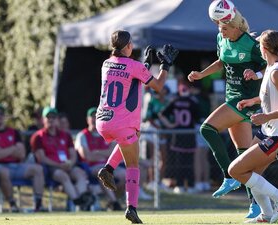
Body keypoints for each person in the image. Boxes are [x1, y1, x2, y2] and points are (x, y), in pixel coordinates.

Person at [187, 3, 266, 218]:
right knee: (244, 156)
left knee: (207, 129)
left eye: (224, 28)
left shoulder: (250, 43)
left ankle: (228, 176)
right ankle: (256, 205)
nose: (220, 31)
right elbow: (222, 62)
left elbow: (269, 65)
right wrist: (202, 74)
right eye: (218, 27)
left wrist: (255, 73)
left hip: (245, 101)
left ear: (236, 27)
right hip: (232, 98)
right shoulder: (221, 38)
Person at [95, 30, 178, 223]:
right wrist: (165, 65)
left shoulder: (106, 64)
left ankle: (108, 168)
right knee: (133, 165)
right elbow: (157, 85)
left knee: (135, 135)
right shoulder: (134, 66)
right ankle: (131, 208)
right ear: (128, 46)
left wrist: (145, 65)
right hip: (121, 123)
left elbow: (130, 80)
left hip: (103, 120)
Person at [228, 29, 278, 223]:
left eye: (259, 44)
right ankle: (266, 214)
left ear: (264, 48)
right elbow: (270, 96)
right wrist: (252, 101)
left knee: (235, 170)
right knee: (252, 175)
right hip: (268, 129)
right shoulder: (273, 66)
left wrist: (265, 116)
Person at [30, 106, 95, 211]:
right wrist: (59, 165)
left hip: (68, 165)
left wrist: (71, 163)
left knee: (80, 173)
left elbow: (73, 154)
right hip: (52, 168)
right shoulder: (38, 137)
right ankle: (78, 200)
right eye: (48, 117)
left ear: (57, 120)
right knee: (63, 175)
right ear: (43, 120)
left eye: (53, 117)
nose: (51, 120)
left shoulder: (66, 135)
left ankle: (82, 198)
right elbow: (41, 158)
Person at [0, 103, 45, 212]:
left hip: (16, 165)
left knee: (38, 169)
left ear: (4, 116)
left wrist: (3, 151)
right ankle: (13, 205)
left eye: (1, 114)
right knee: (4, 172)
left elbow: (22, 154)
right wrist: (13, 149)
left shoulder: (14, 132)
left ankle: (38, 204)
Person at [75, 107, 124, 211]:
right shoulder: (82, 136)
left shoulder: (106, 134)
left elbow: (114, 152)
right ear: (87, 119)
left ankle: (113, 200)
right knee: (102, 173)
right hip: (90, 167)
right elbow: (86, 156)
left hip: (109, 166)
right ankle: (115, 203)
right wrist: (104, 154)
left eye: (96, 116)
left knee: (125, 174)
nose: (94, 119)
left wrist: (96, 152)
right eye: (91, 116)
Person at [158, 78, 200, 193]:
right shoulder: (192, 102)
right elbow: (198, 118)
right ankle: (190, 185)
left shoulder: (175, 101)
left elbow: (161, 114)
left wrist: (170, 125)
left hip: (178, 135)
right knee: (188, 161)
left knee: (179, 162)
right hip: (189, 134)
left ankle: (180, 185)